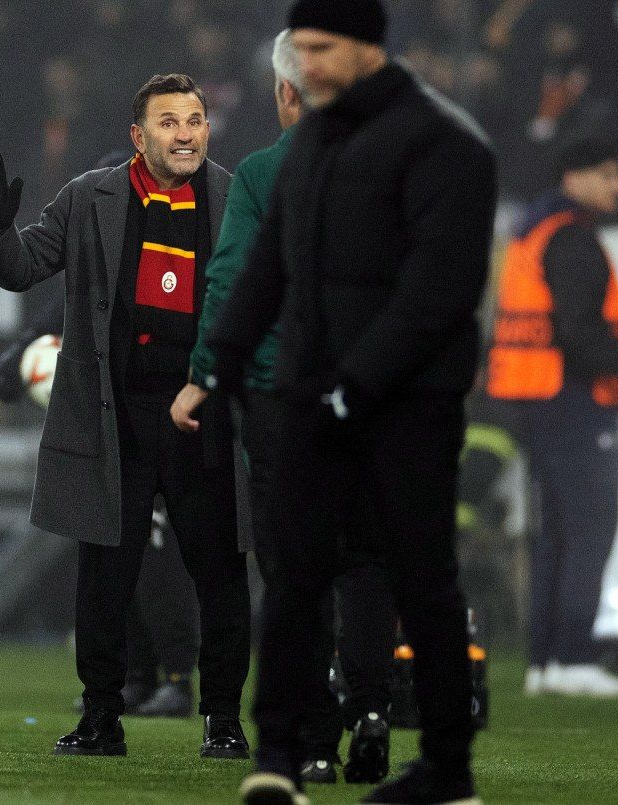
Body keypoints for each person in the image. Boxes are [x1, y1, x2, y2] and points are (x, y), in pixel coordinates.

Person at [204, 2, 497, 802]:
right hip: (312, 397)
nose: (307, 67)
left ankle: (447, 770)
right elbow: (268, 266)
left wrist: (356, 383)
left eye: (321, 48)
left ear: (369, 48)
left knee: (422, 581)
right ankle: (280, 758)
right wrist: (222, 361)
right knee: (294, 578)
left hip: (409, 403)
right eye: (299, 51)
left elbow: (438, 292)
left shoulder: (448, 144)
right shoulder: (313, 146)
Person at [0, 73, 251, 759]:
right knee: (105, 575)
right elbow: (23, 267)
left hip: (203, 412)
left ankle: (223, 719)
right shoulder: (89, 197)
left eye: (195, 121)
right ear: (138, 136)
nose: (185, 134)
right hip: (115, 413)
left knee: (221, 571)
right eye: (169, 122)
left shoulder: (236, 198)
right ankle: (101, 718)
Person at [171, 29, 395, 787]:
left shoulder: (265, 174)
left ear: (285, 92)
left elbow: (233, 277)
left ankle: (318, 738)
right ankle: (373, 711)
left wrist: (203, 372)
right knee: (366, 557)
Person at [486, 137, 618, 698]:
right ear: (574, 176)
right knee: (590, 525)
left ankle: (545, 662)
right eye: (608, 174)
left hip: (536, 396)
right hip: (572, 397)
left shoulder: (535, 230)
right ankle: (573, 656)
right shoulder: (571, 237)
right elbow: (580, 330)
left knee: (557, 531)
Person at [0, 295, 201, 719]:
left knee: (158, 558)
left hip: (158, 422)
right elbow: (74, 302)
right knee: (116, 557)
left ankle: (178, 678)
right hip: (105, 433)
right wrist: (24, 348)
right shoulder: (93, 278)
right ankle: (137, 676)